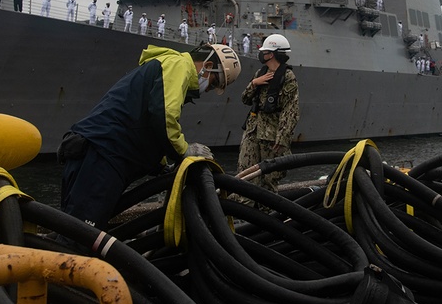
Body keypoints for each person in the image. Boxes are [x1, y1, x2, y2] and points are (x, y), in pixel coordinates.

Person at [58, 42, 242, 229]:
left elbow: (145, 125)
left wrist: (161, 166)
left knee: (75, 229)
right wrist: (185, 151)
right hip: (102, 155)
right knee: (81, 235)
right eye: (213, 84)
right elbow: (163, 115)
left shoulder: (165, 65)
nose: (208, 90)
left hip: (99, 153)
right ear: (208, 67)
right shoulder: (179, 65)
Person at [237, 34, 300, 195]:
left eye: (264, 51)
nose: (261, 53)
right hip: (252, 131)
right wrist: (253, 84)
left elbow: (290, 111)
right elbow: (245, 99)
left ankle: (267, 216)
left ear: (271, 54)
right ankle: (245, 214)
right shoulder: (260, 73)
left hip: (271, 136)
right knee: (245, 175)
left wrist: (282, 137)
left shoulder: (287, 77)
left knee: (268, 181)